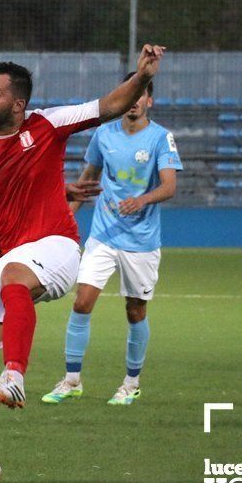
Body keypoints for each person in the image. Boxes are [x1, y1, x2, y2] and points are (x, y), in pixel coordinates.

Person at [0, 45, 166, 483]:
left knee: (14, 278)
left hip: (57, 246)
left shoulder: (48, 124)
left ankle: (14, 375)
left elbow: (109, 105)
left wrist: (142, 77)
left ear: (18, 103)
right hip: (5, 259)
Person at [42, 72, 181, 406]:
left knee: (135, 311)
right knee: (81, 301)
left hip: (142, 242)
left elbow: (170, 185)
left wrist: (142, 199)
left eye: (140, 95)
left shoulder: (161, 138)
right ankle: (72, 380)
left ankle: (131, 383)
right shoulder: (103, 135)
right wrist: (63, 221)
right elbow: (87, 180)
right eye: (129, 95)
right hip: (103, 235)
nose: (134, 102)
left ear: (149, 100)